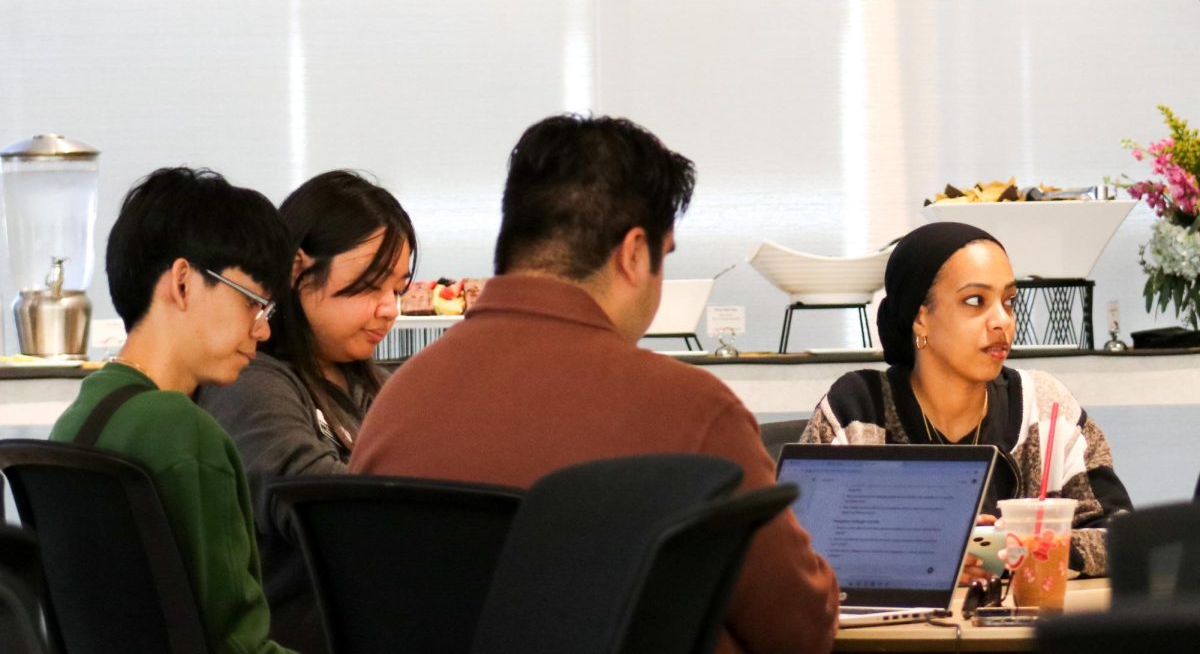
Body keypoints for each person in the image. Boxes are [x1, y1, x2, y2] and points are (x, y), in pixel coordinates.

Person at [351, 114, 839, 654]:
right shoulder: (692, 410)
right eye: (664, 258)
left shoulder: (396, 403)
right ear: (634, 253)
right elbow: (798, 630)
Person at [49, 167, 296, 653]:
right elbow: (237, 644)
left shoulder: (78, 417)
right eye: (253, 303)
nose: (262, 330)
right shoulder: (184, 432)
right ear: (183, 282)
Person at [799, 221, 1133, 577]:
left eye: (1009, 301)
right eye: (975, 301)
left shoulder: (1045, 407)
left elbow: (1123, 538)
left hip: (1019, 632)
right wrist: (933, 557)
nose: (1002, 321)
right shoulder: (859, 410)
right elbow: (794, 550)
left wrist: (1016, 550)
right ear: (920, 317)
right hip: (893, 632)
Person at [195, 170, 415, 653]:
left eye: (398, 288)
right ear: (296, 271)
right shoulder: (249, 381)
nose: (390, 309)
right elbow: (312, 499)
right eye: (370, 287)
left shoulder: (373, 383)